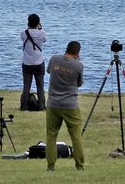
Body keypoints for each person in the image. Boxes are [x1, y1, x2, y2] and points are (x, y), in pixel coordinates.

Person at [44, 41, 86, 171]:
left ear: (66, 49)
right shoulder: (78, 66)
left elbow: (48, 71)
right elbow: (79, 84)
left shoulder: (54, 59)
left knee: (51, 135)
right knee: (75, 135)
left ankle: (51, 166)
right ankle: (79, 165)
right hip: (70, 105)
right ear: (77, 53)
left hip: (53, 103)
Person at [21, 13, 47, 111]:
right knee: (40, 86)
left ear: (28, 22)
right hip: (39, 62)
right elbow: (44, 40)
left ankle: (24, 106)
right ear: (38, 23)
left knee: (26, 86)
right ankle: (41, 106)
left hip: (27, 62)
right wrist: (40, 28)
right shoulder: (42, 33)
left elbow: (23, 39)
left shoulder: (23, 33)